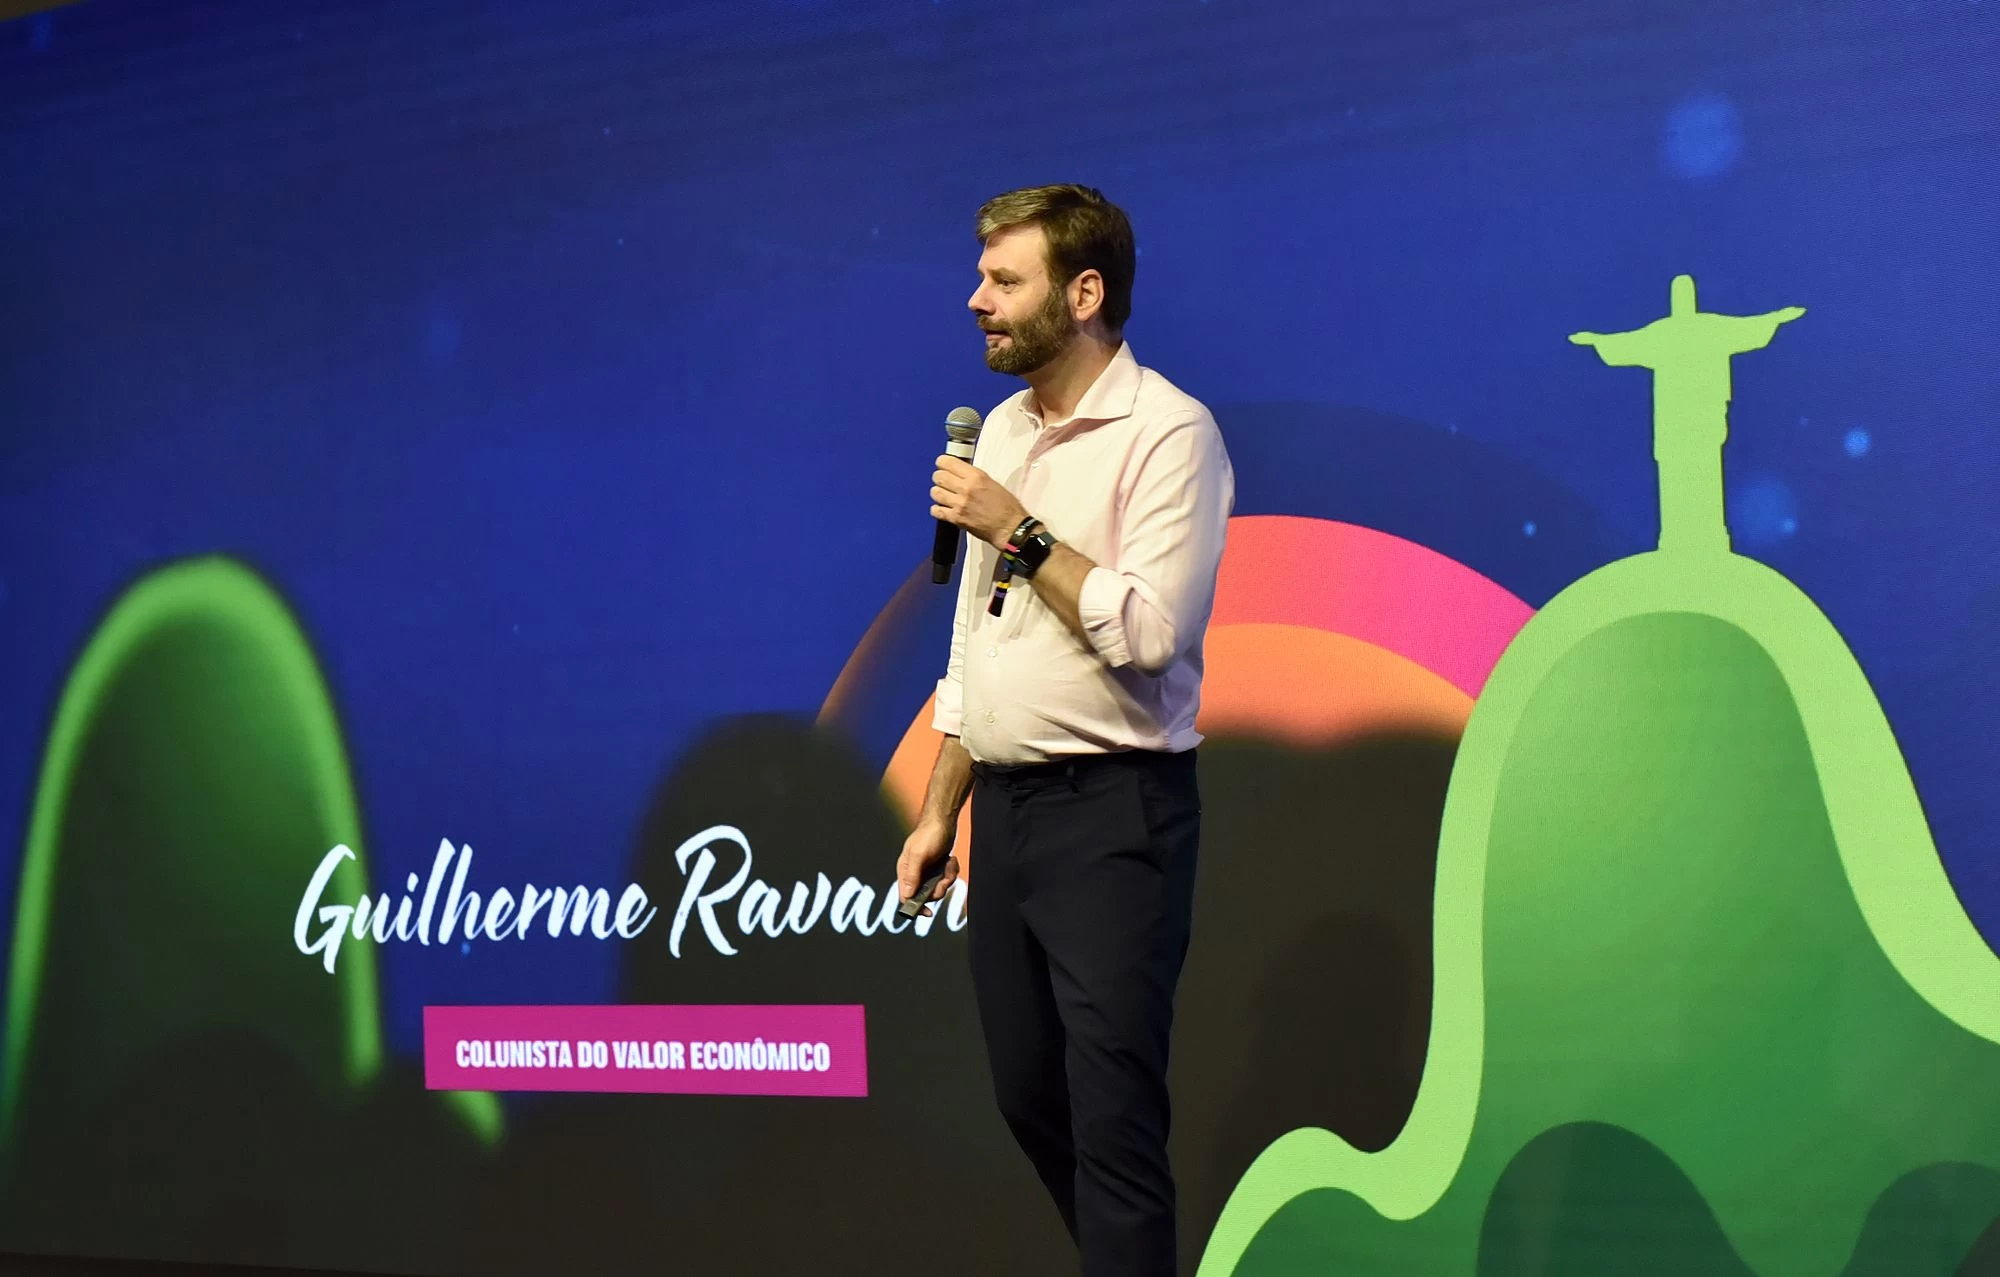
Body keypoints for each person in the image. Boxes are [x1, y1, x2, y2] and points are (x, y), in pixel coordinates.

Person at [896, 184, 1234, 1277]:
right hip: (1006, 814)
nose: (976, 300)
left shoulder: (1169, 433)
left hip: (1115, 812)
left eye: (1005, 281)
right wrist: (940, 808)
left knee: (1115, 1125)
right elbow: (975, 640)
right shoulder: (1002, 429)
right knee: (1026, 1094)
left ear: (1083, 294)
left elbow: (1151, 633)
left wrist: (1017, 527)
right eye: (980, 277)